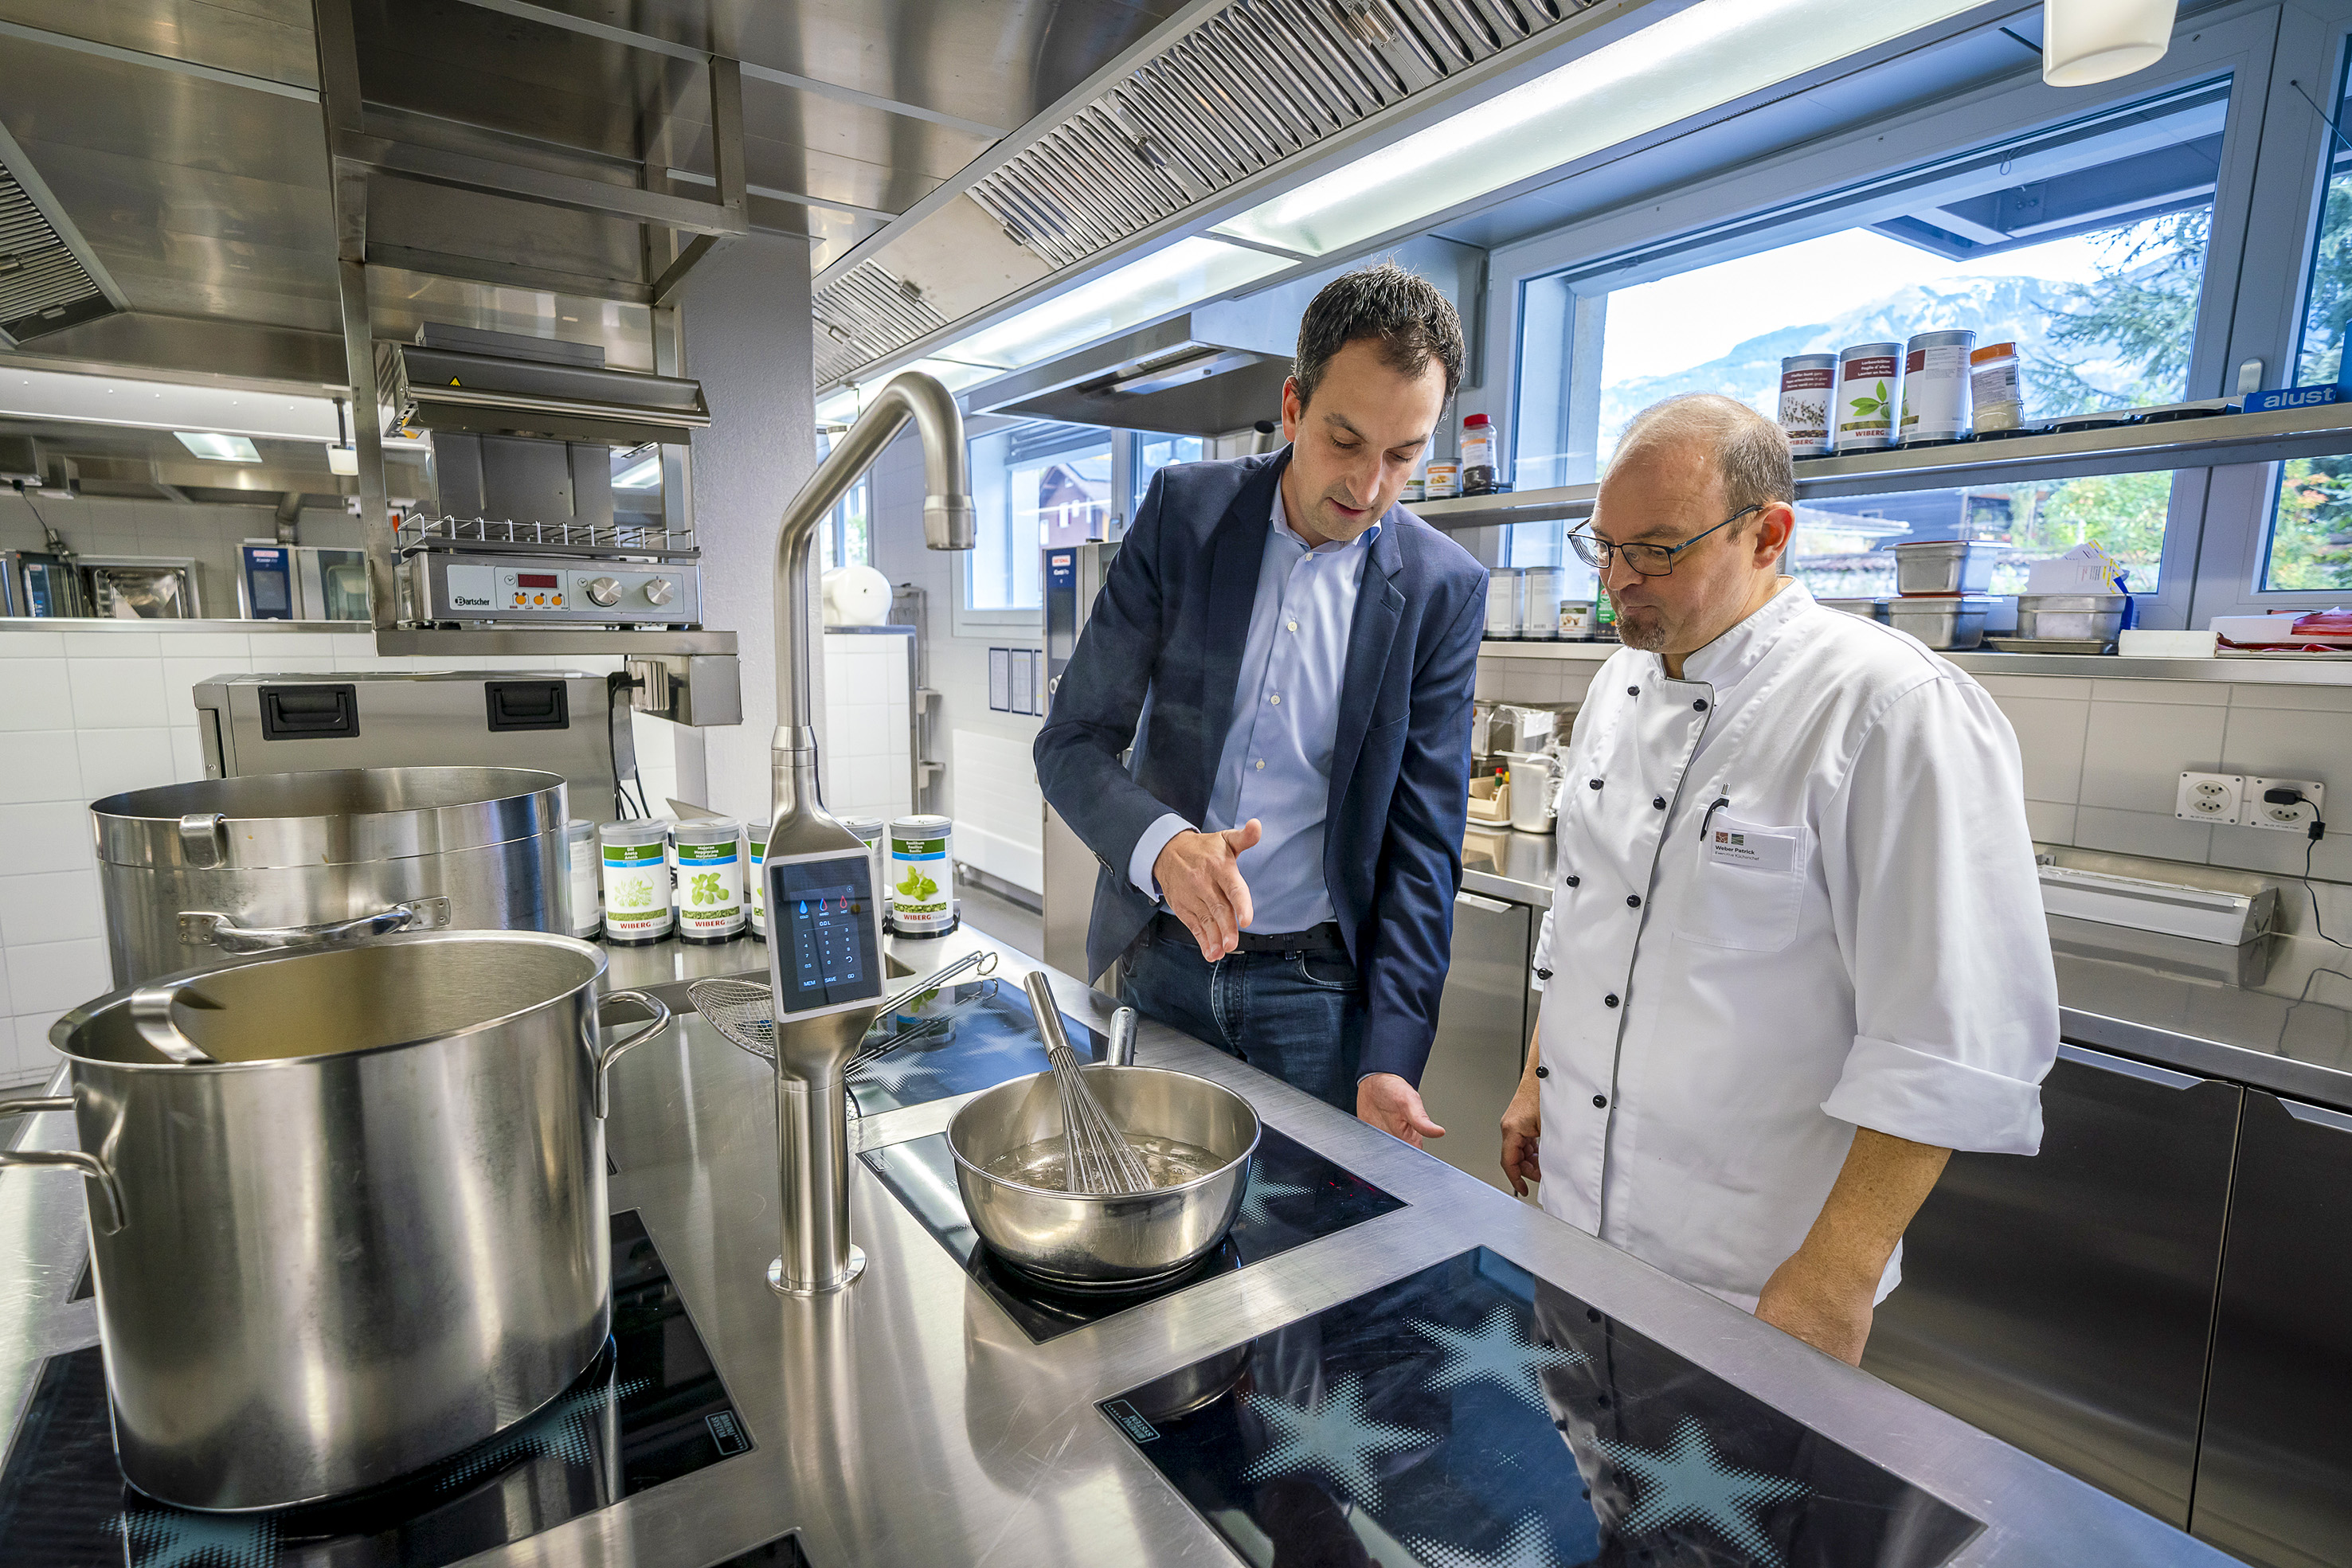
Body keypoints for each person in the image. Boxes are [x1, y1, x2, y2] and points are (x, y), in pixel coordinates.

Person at [1498, 393, 2057, 1365]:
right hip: (1577, 1221)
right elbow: (1587, 911)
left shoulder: (1888, 708)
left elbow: (1947, 1037)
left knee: (1741, 1517)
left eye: (1659, 550)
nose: (1619, 581)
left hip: (1751, 1269)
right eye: (1605, 545)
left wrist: (1835, 1274)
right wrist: (1537, 1076)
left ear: (1769, 534)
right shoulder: (1615, 681)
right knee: (1601, 1492)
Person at [1035, 263, 1487, 1142]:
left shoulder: (1442, 590)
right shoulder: (1186, 516)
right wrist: (1164, 848)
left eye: (1403, 454)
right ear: (1292, 408)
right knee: (1144, 1222)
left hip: (1317, 996)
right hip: (1162, 961)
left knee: (1304, 1259)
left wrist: (1391, 1053)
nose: (1367, 486)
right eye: (1344, 440)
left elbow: (1424, 846)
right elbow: (1073, 740)